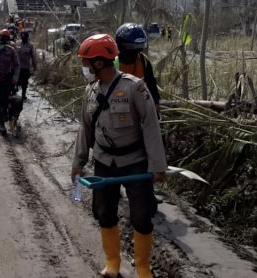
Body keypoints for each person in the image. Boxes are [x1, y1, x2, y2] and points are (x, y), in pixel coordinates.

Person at [71, 34, 167, 278]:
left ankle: (143, 267)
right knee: (104, 212)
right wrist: (78, 162)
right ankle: (113, 262)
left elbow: (151, 126)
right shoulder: (90, 92)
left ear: (100, 63)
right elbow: (86, 128)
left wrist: (157, 165)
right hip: (104, 162)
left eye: (86, 63)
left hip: (135, 162)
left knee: (142, 216)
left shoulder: (134, 87)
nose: (84, 68)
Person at [115, 23, 161, 113]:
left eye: (139, 47)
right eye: (132, 47)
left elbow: (151, 84)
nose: (135, 52)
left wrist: (155, 103)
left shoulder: (143, 61)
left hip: (138, 106)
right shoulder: (112, 62)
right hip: (117, 107)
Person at [16, 31, 37, 100]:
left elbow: (33, 57)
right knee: (16, 80)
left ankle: (23, 94)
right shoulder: (17, 44)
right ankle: (15, 93)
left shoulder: (30, 46)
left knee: (24, 82)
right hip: (17, 67)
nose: (23, 38)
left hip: (25, 67)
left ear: (27, 37)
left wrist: (35, 67)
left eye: (24, 36)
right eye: (22, 36)